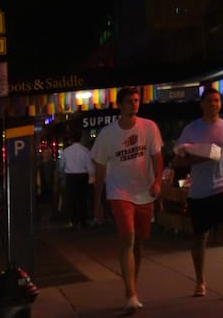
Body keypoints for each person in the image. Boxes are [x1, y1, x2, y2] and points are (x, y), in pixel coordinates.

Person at [91, 87, 164, 315]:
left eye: (137, 100)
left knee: (139, 242)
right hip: (119, 193)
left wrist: (157, 182)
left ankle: (132, 286)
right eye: (130, 101)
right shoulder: (107, 134)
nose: (134, 104)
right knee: (128, 238)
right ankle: (131, 293)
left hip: (144, 191)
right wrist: (97, 200)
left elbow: (157, 157)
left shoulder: (149, 127)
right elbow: (100, 168)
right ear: (120, 105)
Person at [173, 87, 223, 299]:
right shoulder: (191, 130)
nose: (213, 104)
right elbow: (178, 160)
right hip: (199, 191)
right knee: (199, 238)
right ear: (202, 104)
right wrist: (201, 158)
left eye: (217, 100)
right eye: (209, 101)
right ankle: (200, 281)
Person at [60, 128, 94, 229]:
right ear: (80, 138)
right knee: (83, 199)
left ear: (71, 139)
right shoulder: (85, 151)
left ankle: (73, 221)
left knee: (72, 200)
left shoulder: (66, 151)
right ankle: (83, 221)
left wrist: (63, 175)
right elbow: (90, 167)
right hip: (83, 177)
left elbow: (61, 166)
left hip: (71, 177)